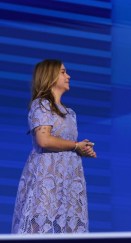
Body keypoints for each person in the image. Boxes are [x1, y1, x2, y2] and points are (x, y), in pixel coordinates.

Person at [11, 59, 97, 233]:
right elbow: (44, 140)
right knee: (39, 224)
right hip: (47, 179)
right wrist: (75, 146)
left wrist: (82, 149)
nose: (68, 76)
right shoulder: (42, 105)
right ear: (50, 77)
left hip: (68, 179)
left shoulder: (70, 112)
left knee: (70, 226)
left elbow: (67, 145)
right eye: (63, 72)